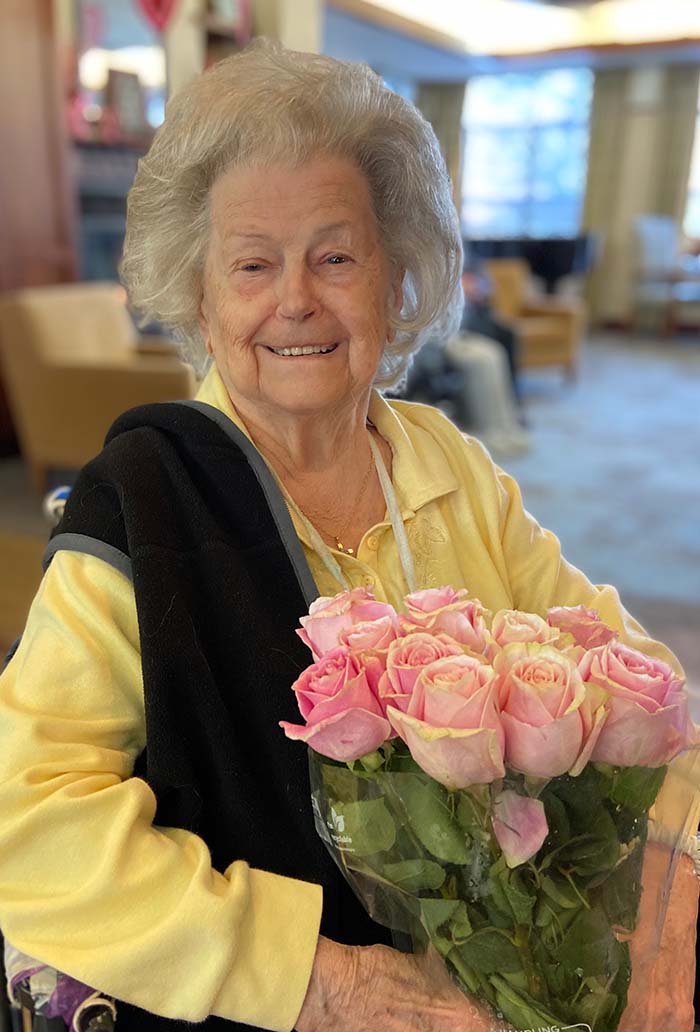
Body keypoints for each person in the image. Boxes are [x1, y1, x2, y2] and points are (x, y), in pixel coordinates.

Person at [0, 39, 697, 1032]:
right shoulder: (145, 503)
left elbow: (620, 668)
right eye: (252, 263)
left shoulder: (442, 460)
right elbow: (25, 827)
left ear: (394, 278)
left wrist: (680, 874)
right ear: (199, 294)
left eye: (336, 256)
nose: (297, 299)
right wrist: (324, 981)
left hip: (505, 962)